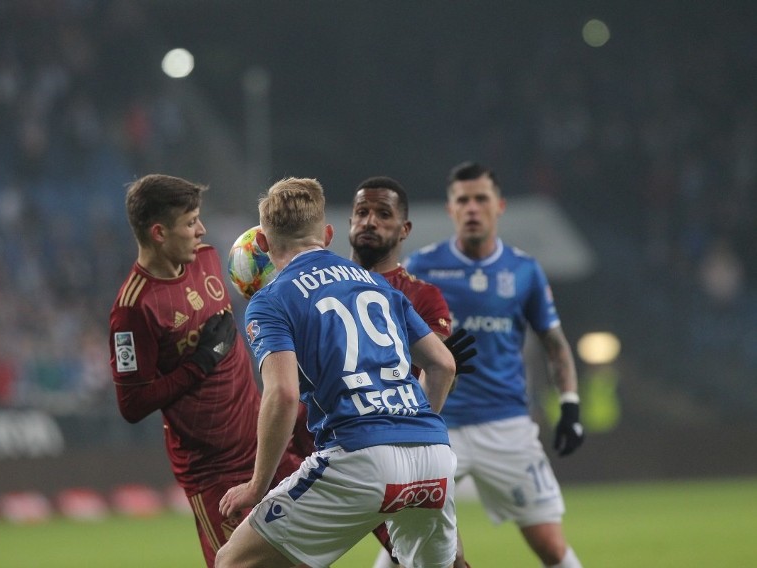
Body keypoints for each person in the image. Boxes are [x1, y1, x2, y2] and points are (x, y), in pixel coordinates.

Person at [216, 177, 459, 568]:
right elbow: (443, 364)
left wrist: (256, 486)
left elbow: (282, 395)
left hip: (359, 457)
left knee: (234, 562)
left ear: (261, 244)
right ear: (327, 235)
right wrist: (411, 427)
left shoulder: (270, 300)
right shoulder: (381, 286)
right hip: (434, 455)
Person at [108, 174, 301, 568]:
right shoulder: (132, 310)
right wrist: (198, 365)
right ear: (159, 232)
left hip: (265, 445)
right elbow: (132, 403)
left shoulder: (212, 258)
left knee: (306, 558)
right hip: (214, 473)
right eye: (191, 221)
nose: (201, 229)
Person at [404, 162, 585, 568]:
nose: (472, 208)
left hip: (506, 425)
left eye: (480, 199)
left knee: (551, 545)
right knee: (405, 547)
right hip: (437, 425)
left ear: (498, 205)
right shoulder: (422, 268)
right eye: (462, 200)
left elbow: (554, 344)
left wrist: (570, 404)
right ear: (451, 209)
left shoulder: (524, 271)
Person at [349, 176, 476, 568]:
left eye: (383, 214)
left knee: (444, 562)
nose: (369, 221)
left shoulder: (422, 297)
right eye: (362, 212)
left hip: (394, 449)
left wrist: (440, 368)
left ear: (404, 230)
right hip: (319, 447)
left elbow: (427, 394)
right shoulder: (326, 285)